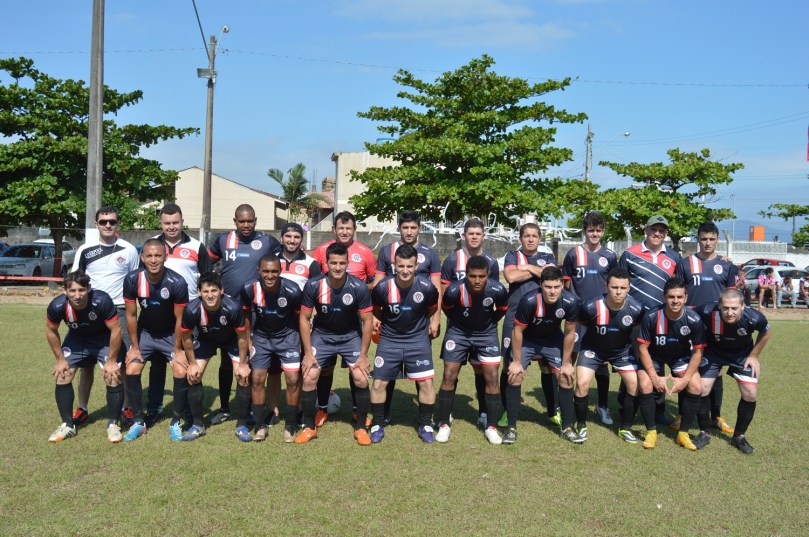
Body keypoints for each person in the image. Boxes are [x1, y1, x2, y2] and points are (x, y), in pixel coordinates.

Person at [207, 204, 281, 425]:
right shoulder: (223, 240)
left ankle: (250, 407)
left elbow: (284, 259)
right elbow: (205, 263)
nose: (246, 225)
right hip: (227, 310)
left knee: (250, 358)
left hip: (256, 311)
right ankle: (224, 407)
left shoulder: (268, 242)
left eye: (250, 221)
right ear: (235, 221)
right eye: (242, 221)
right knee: (226, 361)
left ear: (256, 221)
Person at [296, 243, 374, 445]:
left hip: (350, 336)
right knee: (309, 376)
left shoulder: (358, 287)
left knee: (361, 377)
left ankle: (361, 428)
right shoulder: (313, 285)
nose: (338, 267)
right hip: (322, 335)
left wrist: (364, 355)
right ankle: (309, 427)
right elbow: (304, 318)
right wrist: (307, 353)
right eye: (333, 263)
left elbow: (367, 321)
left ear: (348, 263)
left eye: (342, 263)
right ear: (326, 264)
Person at [70, 206, 139, 427]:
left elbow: (133, 283)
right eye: (103, 222)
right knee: (86, 364)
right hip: (89, 312)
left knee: (123, 364)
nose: (108, 225)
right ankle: (82, 407)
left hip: (118, 311)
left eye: (112, 221)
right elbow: (75, 281)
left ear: (118, 224)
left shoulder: (128, 250)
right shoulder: (85, 250)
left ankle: (127, 408)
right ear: (96, 223)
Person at [372, 211, 442, 424]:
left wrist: (436, 319)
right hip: (392, 317)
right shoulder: (387, 251)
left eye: (413, 228)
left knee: (420, 370)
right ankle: (383, 415)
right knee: (387, 371)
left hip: (418, 319)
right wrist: (377, 317)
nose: (409, 231)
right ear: (399, 228)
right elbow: (378, 283)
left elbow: (437, 288)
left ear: (419, 229)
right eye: (405, 227)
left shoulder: (430, 253)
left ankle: (424, 420)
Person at [146, 203, 212, 427]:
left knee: (187, 362)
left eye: (175, 222)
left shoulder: (196, 246)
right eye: (167, 223)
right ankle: (154, 407)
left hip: (188, 315)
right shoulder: (153, 246)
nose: (171, 227)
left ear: (182, 222)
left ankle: (187, 408)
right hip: (157, 315)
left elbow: (207, 278)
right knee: (157, 365)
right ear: (161, 223)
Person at [310, 211, 376, 427]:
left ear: (354, 229)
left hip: (355, 317)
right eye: (341, 228)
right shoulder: (321, 250)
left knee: (354, 366)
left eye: (349, 228)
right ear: (334, 229)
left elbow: (374, 281)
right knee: (325, 367)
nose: (345, 231)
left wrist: (356, 294)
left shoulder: (365, 252)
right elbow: (313, 279)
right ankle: (321, 408)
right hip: (326, 317)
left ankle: (358, 411)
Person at [45, 271, 125, 443]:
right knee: (63, 374)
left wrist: (111, 361)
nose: (78, 295)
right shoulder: (57, 306)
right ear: (65, 291)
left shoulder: (102, 300)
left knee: (112, 376)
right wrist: (60, 359)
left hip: (103, 339)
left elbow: (116, 329)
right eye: (72, 291)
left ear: (89, 288)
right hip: (77, 339)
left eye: (81, 290)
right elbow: (51, 330)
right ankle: (68, 425)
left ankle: (113, 424)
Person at [675, 221, 740, 435]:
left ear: (718, 240)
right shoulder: (685, 264)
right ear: (698, 239)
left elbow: (732, 298)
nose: (707, 243)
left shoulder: (727, 265)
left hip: (717, 324)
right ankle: (683, 414)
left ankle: (716, 416)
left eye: (712, 239)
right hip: (691, 323)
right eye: (703, 238)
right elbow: (678, 293)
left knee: (717, 370)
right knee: (687, 368)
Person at [435, 255, 508, 445]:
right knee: (449, 374)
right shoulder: (453, 289)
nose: (477, 280)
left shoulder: (498, 289)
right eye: (472, 276)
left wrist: (489, 323)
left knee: (491, 376)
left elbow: (501, 309)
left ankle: (491, 426)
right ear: (466, 275)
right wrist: (461, 324)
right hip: (458, 333)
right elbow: (446, 309)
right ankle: (444, 424)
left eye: (481, 276)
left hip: (486, 334)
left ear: (488, 275)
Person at [121, 239, 189, 441]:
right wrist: (134, 347)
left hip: (170, 334)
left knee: (180, 369)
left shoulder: (177, 282)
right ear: (142, 257)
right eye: (149, 256)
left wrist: (178, 349)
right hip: (147, 333)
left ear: (165, 257)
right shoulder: (133, 279)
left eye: (158, 256)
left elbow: (180, 319)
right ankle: (139, 422)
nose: (153, 260)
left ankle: (176, 421)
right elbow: (131, 315)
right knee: (132, 368)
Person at [504, 267, 580, 444]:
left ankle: (567, 427)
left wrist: (567, 362)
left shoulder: (571, 302)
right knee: (515, 375)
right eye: (548, 287)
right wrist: (516, 361)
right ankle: (511, 428)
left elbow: (569, 334)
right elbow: (517, 331)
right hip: (528, 340)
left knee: (566, 377)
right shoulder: (529, 300)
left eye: (556, 286)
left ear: (562, 285)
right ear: (541, 285)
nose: (552, 291)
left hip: (553, 341)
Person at [619, 215, 681, 424]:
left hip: (661, 322)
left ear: (666, 233)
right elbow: (619, 284)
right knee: (631, 362)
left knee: (657, 363)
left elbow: (677, 287)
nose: (657, 233)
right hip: (634, 321)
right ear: (646, 230)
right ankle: (626, 405)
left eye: (662, 230)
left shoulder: (674, 257)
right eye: (654, 229)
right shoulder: (629, 254)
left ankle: (658, 410)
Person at [440, 218, 500, 428]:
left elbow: (495, 295)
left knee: (481, 370)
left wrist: (489, 320)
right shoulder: (451, 260)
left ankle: (484, 411)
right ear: (464, 236)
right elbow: (445, 294)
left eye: (478, 233)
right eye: (470, 233)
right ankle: (447, 414)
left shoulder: (491, 262)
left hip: (483, 328)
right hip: (457, 327)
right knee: (451, 370)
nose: (474, 237)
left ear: (483, 236)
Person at [574, 267, 646, 443]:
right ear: (606, 286)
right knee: (582, 384)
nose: (618, 292)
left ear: (629, 288)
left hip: (621, 351)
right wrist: (571, 360)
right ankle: (581, 425)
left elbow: (636, 338)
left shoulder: (636, 309)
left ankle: (625, 428)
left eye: (623, 288)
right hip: (593, 349)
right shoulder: (590, 306)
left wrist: (640, 362)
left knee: (635, 385)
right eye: (614, 287)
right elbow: (577, 330)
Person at [636, 278, 707, 450]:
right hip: (653, 355)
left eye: (679, 297)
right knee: (645, 384)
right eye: (671, 297)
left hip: (680, 357)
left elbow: (698, 352)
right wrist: (653, 376)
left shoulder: (694, 319)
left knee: (696, 386)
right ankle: (651, 431)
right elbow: (642, 348)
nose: (675, 301)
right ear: (664, 297)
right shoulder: (652, 316)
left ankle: (683, 434)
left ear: (686, 297)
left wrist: (685, 379)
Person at [695, 289, 769, 454]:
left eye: (734, 308)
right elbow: (689, 318)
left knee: (750, 393)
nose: (729, 312)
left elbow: (766, 332)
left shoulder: (754, 317)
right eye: (726, 308)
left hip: (742, 355)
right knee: (701, 389)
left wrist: (754, 355)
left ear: (742, 306)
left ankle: (739, 437)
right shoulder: (707, 310)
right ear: (719, 305)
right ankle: (704, 432)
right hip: (713, 353)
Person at [499, 223, 557, 429]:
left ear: (540, 239)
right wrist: (538, 272)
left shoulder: (548, 257)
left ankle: (552, 411)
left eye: (534, 236)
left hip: (542, 320)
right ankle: (506, 411)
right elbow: (511, 276)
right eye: (526, 236)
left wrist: (529, 268)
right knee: (510, 365)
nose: (530, 239)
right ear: (520, 238)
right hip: (514, 318)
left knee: (548, 366)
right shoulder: (512, 256)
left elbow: (551, 276)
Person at [561, 211, 617, 426]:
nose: (595, 233)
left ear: (603, 231)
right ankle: (565, 404)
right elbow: (566, 286)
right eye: (591, 230)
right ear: (584, 231)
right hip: (578, 319)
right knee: (569, 360)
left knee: (601, 363)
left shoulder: (610, 256)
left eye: (599, 230)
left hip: (601, 318)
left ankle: (602, 405)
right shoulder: (573, 254)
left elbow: (613, 286)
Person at [180, 272, 250, 441]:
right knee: (193, 375)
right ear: (198, 292)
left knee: (242, 376)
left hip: (232, 340)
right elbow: (186, 338)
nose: (210, 295)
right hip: (206, 340)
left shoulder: (232, 307)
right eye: (205, 291)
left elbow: (242, 337)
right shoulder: (191, 309)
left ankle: (242, 424)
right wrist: (192, 364)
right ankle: (198, 425)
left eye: (213, 290)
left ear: (221, 290)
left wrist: (242, 363)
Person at [241, 254, 304, 442]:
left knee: (293, 379)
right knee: (258, 378)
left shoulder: (292, 290)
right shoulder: (248, 288)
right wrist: (248, 339)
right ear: (258, 270)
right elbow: (245, 316)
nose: (270, 275)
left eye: (274, 271)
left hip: (288, 338)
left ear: (281, 271)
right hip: (262, 338)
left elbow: (301, 318)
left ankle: (291, 426)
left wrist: (302, 345)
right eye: (266, 271)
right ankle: (260, 425)